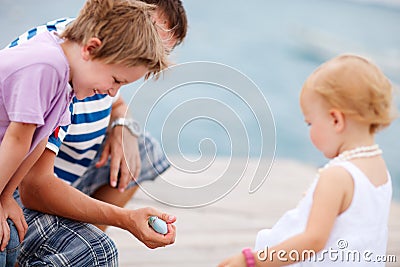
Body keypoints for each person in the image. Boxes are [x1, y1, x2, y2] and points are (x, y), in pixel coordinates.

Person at [9, 1, 187, 266]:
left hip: (58, 174)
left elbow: (115, 101)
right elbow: (33, 185)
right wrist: (125, 219)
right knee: (96, 250)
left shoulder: (96, 56)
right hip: (17, 185)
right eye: (150, 39)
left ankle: (75, 238)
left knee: (140, 150)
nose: (151, 55)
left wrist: (122, 124)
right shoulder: (57, 69)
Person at [219, 54, 396, 267]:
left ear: (335, 120)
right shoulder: (380, 171)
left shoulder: (337, 176)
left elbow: (313, 240)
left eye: (310, 123)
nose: (310, 131)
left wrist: (252, 260)